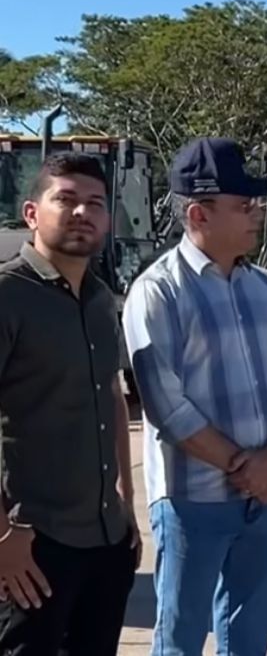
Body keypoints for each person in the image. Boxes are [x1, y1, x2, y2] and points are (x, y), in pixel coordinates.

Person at [123, 137, 267, 656]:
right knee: (181, 639)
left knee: (250, 638)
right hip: (192, 502)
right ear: (200, 214)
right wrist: (244, 466)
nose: (257, 215)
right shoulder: (157, 292)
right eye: (243, 206)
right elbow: (166, 407)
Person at [0, 153, 140, 655]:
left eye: (96, 204)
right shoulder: (8, 295)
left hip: (105, 541)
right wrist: (3, 538)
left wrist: (125, 501)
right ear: (32, 213)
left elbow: (113, 398)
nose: (83, 212)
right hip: (32, 545)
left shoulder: (102, 300)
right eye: (67, 199)